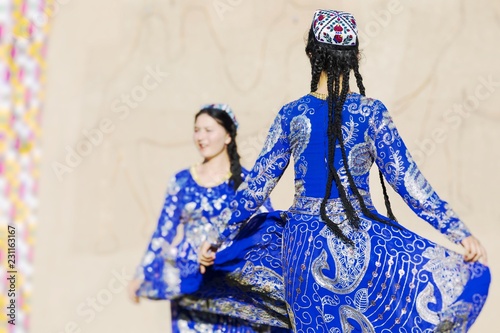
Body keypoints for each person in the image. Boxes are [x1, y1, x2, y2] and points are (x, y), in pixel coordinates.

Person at [199, 9, 490, 332]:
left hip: (303, 247)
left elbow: (256, 186)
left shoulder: (292, 114)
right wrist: (458, 232)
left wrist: (215, 237)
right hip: (361, 242)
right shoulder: (371, 113)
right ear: (354, 57)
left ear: (311, 52)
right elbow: (409, 182)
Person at [128, 103, 283, 332]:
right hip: (190, 284)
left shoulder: (246, 183)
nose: (201, 137)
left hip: (230, 285)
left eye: (208, 130)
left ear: (228, 136)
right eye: (197, 130)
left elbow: (263, 229)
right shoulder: (181, 181)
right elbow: (163, 232)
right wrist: (143, 273)